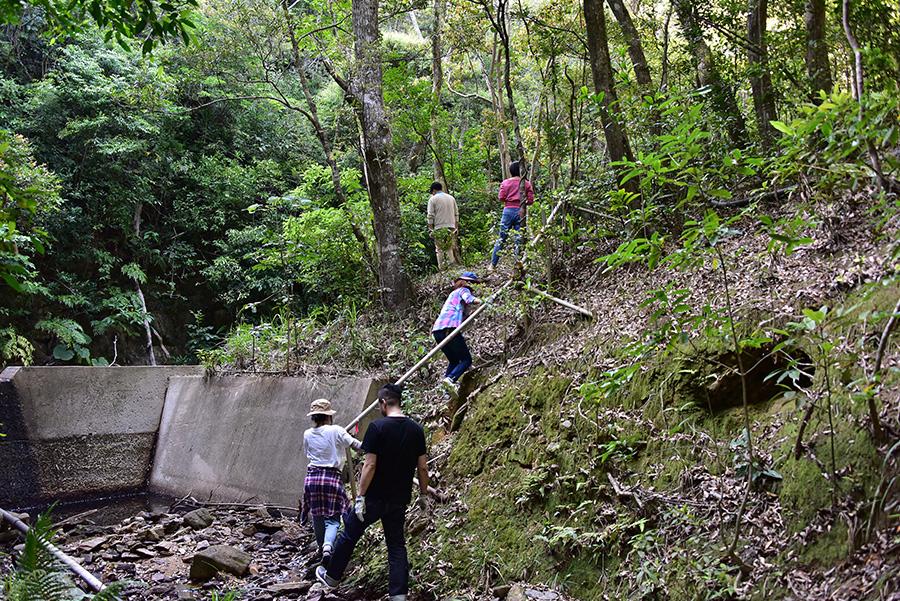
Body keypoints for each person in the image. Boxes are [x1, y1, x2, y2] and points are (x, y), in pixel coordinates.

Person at [315, 384, 429, 601]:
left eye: (379, 405)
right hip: (399, 499)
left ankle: (332, 577)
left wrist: (360, 497)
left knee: (349, 533)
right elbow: (422, 467)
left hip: (374, 498)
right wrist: (423, 495)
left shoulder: (377, 427)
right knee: (396, 545)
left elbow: (370, 465)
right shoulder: (416, 429)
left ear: (383, 403)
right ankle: (398, 595)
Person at [300, 398, 362, 565]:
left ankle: (321, 548)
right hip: (331, 478)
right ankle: (328, 546)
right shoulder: (336, 430)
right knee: (333, 518)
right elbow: (357, 446)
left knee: (317, 515)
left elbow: (308, 453)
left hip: (312, 478)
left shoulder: (307, 434)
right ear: (329, 416)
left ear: (314, 417)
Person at [432, 271, 482, 399]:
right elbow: (469, 299)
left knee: (454, 361)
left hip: (438, 330)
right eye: (474, 284)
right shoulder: (463, 290)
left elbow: (463, 317)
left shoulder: (452, 295)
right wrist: (482, 301)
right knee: (466, 360)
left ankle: (445, 391)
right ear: (467, 283)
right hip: (449, 328)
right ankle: (450, 380)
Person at [490, 160, 535, 269]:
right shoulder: (526, 183)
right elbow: (530, 200)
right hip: (521, 211)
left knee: (501, 238)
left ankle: (492, 265)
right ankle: (517, 265)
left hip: (508, 211)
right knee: (519, 239)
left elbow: (501, 198)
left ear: (510, 171)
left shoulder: (505, 183)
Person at [426, 181, 460, 270]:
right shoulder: (451, 198)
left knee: (439, 249)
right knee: (449, 248)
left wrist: (430, 229)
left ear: (433, 190)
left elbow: (430, 216)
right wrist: (456, 227)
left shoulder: (432, 199)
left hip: (439, 227)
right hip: (451, 226)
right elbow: (456, 214)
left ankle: (442, 269)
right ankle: (452, 268)